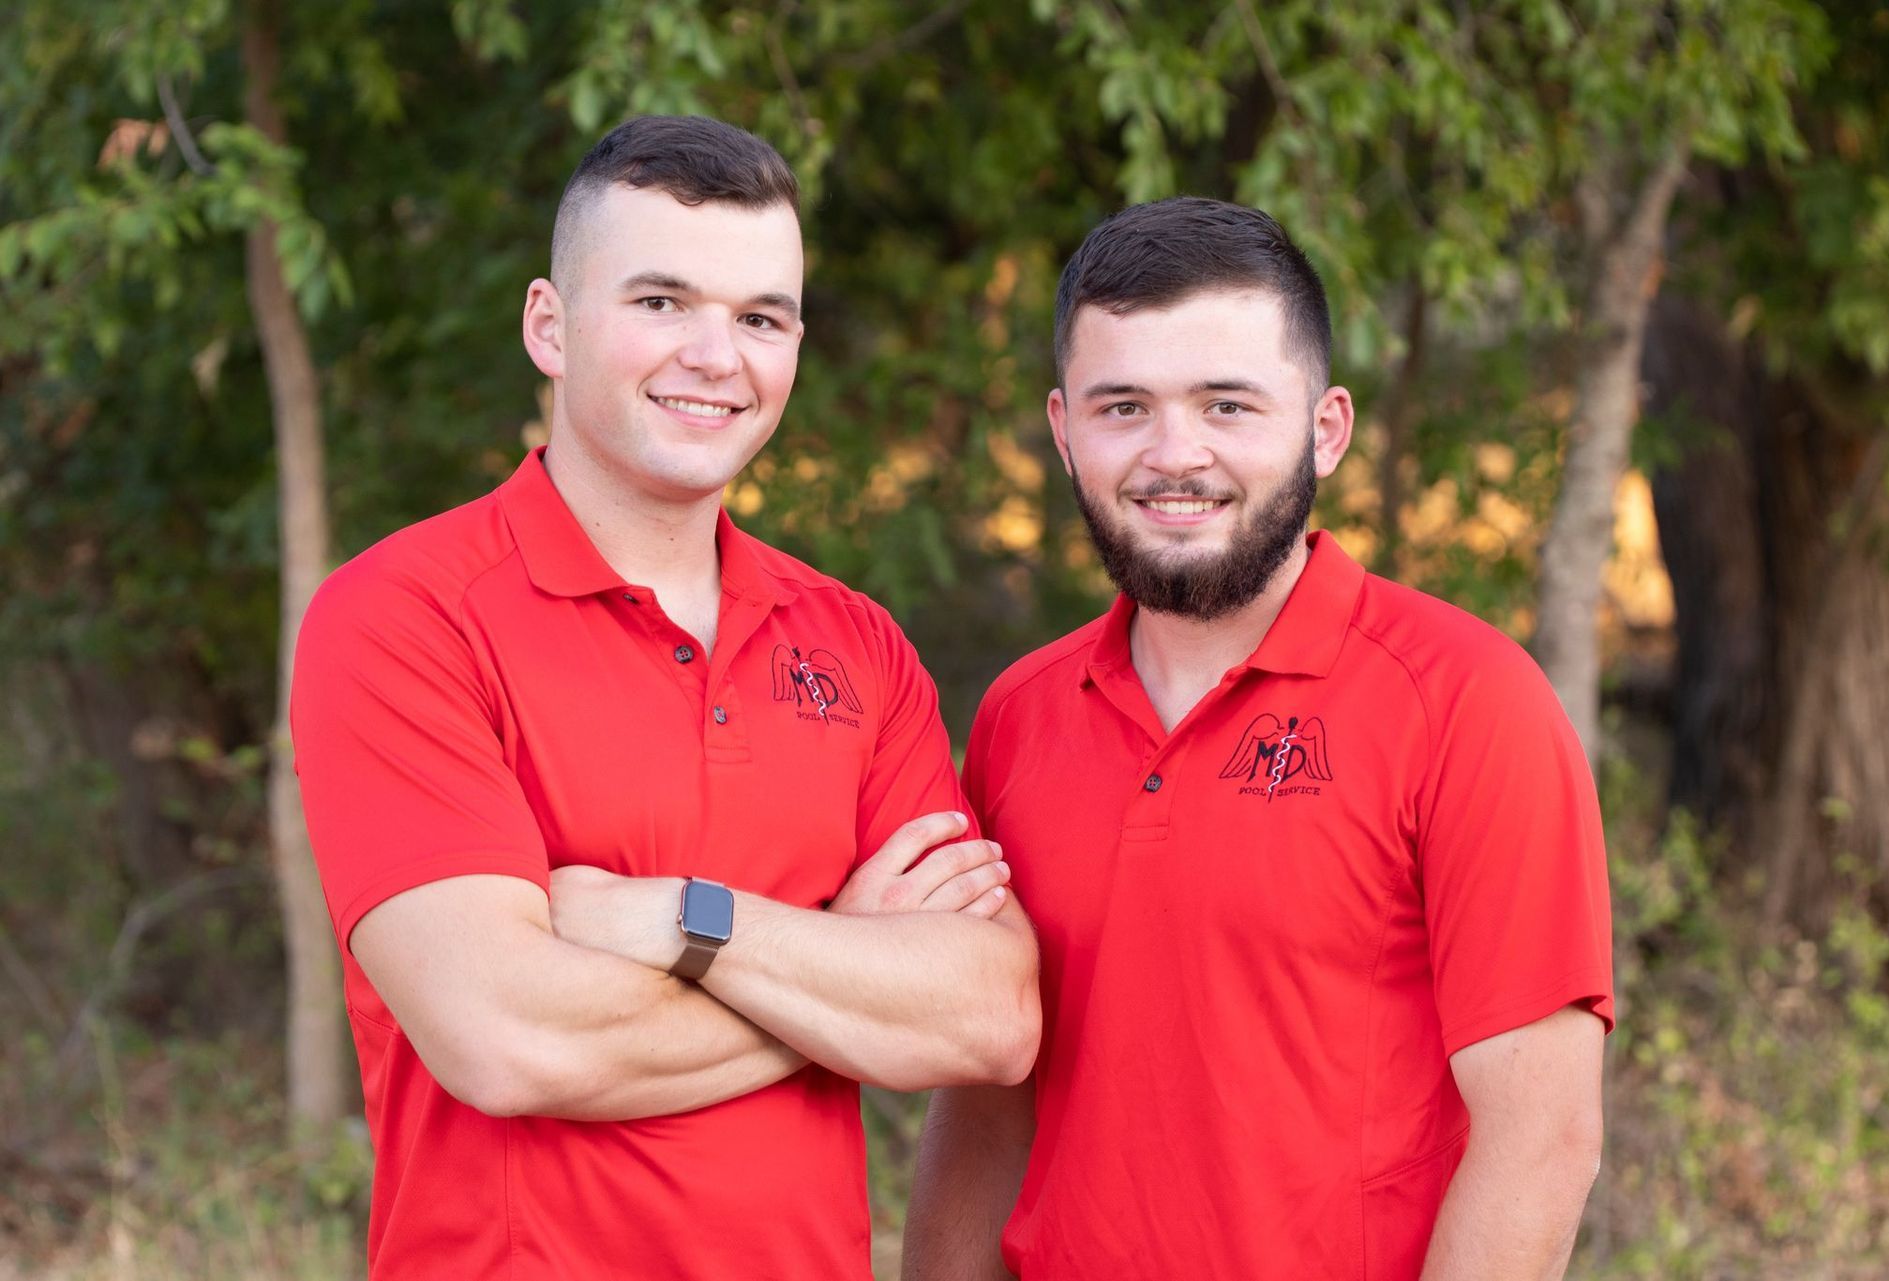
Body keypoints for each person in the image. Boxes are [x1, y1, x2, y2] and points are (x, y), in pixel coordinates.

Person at [290, 115, 1040, 1281]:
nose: (714, 355)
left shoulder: (856, 646)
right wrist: (839, 972)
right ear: (549, 325)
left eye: (760, 318)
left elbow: (985, 1016)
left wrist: (683, 922)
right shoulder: (403, 617)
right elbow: (507, 1038)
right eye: (660, 303)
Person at [903, 197, 1613, 1280]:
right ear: (1061, 429)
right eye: (1123, 407)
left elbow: (1541, 1142)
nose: (1174, 454)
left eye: (1227, 405)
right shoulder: (1018, 716)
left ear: (1326, 427)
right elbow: (989, 1103)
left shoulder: (1468, 703)